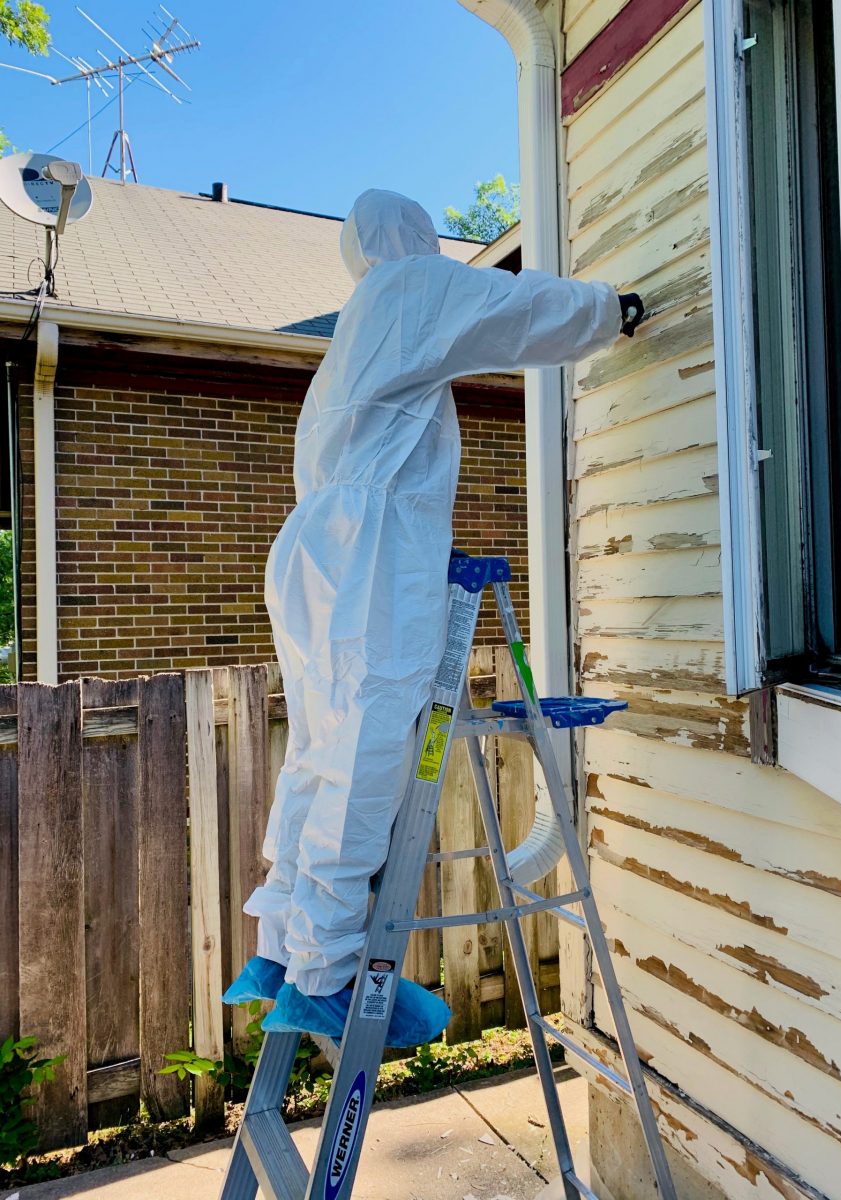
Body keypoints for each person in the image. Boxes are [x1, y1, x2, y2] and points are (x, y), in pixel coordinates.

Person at [224, 189, 643, 1044]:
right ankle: (330, 973)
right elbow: (516, 311)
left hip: (311, 551)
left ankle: (280, 943)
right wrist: (613, 310)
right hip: (370, 552)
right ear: (411, 238)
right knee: (369, 740)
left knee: (315, 746)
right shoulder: (412, 287)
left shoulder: (353, 330)